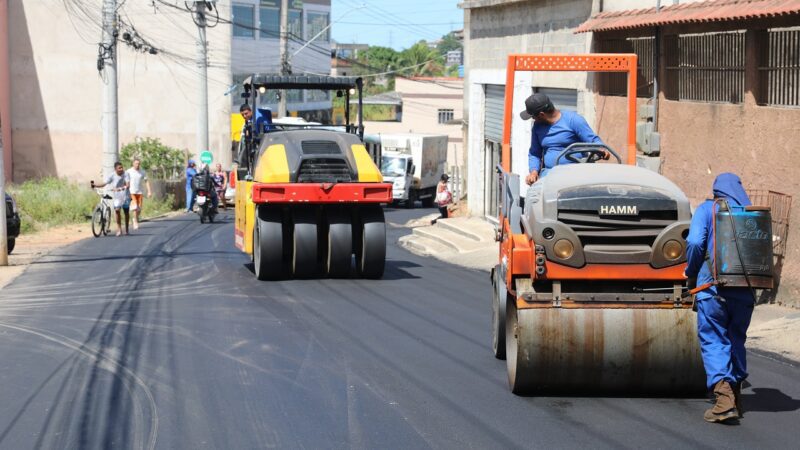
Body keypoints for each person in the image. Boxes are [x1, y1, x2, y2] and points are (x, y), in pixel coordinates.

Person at [685, 172, 755, 424]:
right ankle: (735, 392)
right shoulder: (752, 215)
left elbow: (694, 242)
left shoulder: (707, 209)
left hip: (712, 288)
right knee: (736, 337)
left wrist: (691, 271)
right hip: (745, 292)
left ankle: (723, 397)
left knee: (714, 338)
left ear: (717, 191)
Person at [520, 93, 609, 185]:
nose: (533, 119)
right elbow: (534, 152)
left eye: (533, 116)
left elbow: (593, 141)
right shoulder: (537, 127)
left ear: (541, 114)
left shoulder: (573, 120)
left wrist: (602, 149)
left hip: (577, 172)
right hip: (550, 173)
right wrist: (533, 172)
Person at [91, 162, 130, 236]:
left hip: (125, 195)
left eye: (122, 168)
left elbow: (128, 185)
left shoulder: (126, 174)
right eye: (119, 168)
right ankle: (119, 229)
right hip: (117, 196)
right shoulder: (112, 175)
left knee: (126, 212)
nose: (121, 169)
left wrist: (121, 188)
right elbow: (104, 183)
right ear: (115, 169)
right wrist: (95, 185)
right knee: (117, 210)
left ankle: (127, 229)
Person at [126, 158, 152, 230]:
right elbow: (125, 180)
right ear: (133, 164)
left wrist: (149, 191)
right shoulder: (129, 171)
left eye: (138, 163)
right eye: (136, 163)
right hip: (131, 192)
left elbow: (146, 181)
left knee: (139, 209)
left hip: (139, 192)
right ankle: (135, 221)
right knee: (135, 207)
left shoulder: (142, 171)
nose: (137, 165)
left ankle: (135, 218)